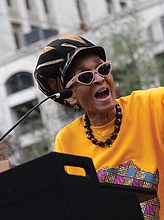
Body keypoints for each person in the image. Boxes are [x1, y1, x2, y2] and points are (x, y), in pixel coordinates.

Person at [34, 35, 164, 219]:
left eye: (102, 69)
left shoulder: (153, 105)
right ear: (70, 96)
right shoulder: (66, 141)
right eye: (85, 76)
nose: (99, 79)